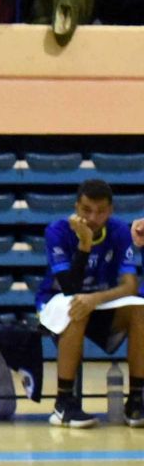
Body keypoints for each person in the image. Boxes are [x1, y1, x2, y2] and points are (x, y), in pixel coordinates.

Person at [34, 179, 143, 427]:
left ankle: (137, 399)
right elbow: (70, 288)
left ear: (111, 210)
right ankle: (64, 403)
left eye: (101, 211)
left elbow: (130, 286)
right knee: (77, 307)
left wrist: (96, 299)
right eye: (86, 210)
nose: (93, 218)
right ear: (76, 207)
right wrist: (84, 244)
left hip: (99, 302)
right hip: (56, 301)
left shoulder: (118, 231)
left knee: (140, 310)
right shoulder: (57, 231)